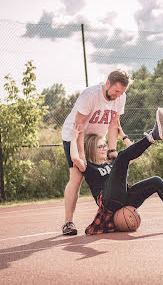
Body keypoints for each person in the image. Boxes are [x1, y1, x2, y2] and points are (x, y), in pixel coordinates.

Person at [70, 108, 163, 235]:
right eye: (100, 146)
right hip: (108, 202)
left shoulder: (112, 163)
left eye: (105, 145)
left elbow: (132, 155)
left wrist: (122, 134)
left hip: (125, 198)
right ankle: (152, 136)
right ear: (92, 149)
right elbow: (75, 157)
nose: (105, 148)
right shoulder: (89, 167)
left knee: (155, 181)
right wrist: (74, 137)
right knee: (122, 156)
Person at [61, 69, 130, 235]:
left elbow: (114, 124)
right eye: (116, 91)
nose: (118, 95)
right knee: (76, 178)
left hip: (97, 139)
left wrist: (112, 150)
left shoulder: (120, 97)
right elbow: (78, 126)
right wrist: (82, 155)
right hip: (76, 135)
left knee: (109, 174)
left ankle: (111, 215)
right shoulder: (90, 95)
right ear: (107, 83)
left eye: (122, 92)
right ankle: (68, 222)